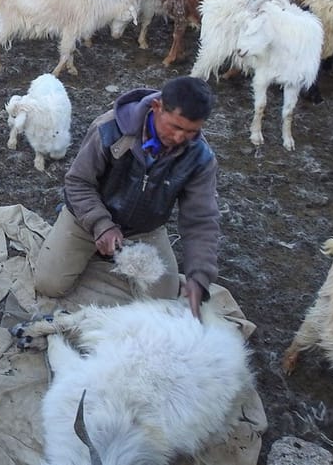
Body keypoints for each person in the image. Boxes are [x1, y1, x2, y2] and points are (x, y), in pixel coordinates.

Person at [32, 76, 220, 319]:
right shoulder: (109, 129)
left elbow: (201, 220)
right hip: (87, 219)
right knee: (49, 284)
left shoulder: (200, 158)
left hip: (145, 230)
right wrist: (101, 225)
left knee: (162, 304)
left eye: (191, 132)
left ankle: (108, 254)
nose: (179, 138)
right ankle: (87, 242)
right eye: (175, 127)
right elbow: (77, 182)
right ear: (157, 108)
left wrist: (200, 276)